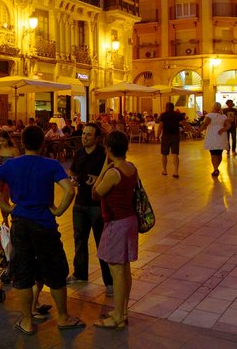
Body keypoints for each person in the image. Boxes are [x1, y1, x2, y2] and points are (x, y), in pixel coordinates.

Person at [0, 125, 84, 335]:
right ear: (43, 142)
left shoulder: (11, 165)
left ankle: (27, 321)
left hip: (20, 223)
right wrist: (58, 212)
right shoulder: (51, 165)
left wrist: (7, 207)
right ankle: (63, 318)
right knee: (55, 271)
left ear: (22, 143)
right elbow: (70, 190)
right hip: (45, 224)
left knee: (23, 273)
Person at [91, 130, 138, 330]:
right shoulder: (132, 167)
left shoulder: (113, 172)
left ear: (108, 149)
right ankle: (123, 310)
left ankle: (118, 317)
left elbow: (95, 193)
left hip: (116, 223)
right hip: (129, 220)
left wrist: (103, 168)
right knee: (124, 267)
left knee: (116, 269)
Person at [67, 122, 113, 294]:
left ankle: (109, 281)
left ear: (97, 138)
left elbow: (109, 174)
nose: (84, 137)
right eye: (83, 134)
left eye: (88, 134)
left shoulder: (103, 154)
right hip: (80, 204)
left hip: (97, 206)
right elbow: (73, 173)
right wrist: (73, 180)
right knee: (79, 241)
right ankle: (80, 274)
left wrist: (97, 180)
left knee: (102, 242)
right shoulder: (79, 153)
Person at [0, 131, 19, 225]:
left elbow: (18, 164)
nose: (1, 143)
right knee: (1, 202)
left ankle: (13, 217)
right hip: (0, 176)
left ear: (7, 139)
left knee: (5, 200)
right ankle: (6, 222)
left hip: (10, 177)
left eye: (3, 141)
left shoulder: (14, 150)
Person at [198, 102, 230, 177]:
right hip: (221, 135)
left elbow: (205, 125)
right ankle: (216, 168)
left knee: (213, 153)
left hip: (212, 135)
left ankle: (215, 169)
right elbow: (229, 125)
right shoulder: (223, 116)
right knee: (219, 153)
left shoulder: (210, 116)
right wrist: (223, 129)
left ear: (213, 108)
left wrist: (198, 132)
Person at [157, 103, 187, 178]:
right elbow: (185, 123)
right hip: (175, 136)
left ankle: (164, 170)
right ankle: (176, 172)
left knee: (164, 154)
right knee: (175, 154)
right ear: (173, 107)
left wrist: (157, 136)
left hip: (166, 136)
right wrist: (193, 131)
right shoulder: (178, 114)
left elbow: (160, 126)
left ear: (166, 107)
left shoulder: (163, 115)